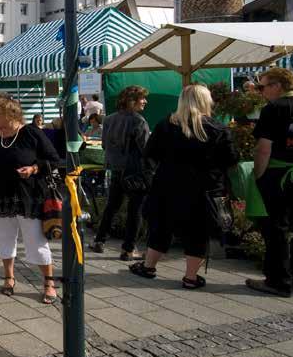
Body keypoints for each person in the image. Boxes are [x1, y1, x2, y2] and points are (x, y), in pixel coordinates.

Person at [130, 84, 238, 288]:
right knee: (198, 231)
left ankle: (149, 266)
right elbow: (231, 159)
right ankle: (190, 277)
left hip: (167, 185)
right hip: (204, 189)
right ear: (207, 101)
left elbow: (150, 154)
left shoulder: (166, 125)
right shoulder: (217, 128)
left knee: (161, 227)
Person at [0, 96, 61, 304]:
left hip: (28, 197)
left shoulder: (30, 133)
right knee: (4, 240)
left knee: (36, 242)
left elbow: (54, 160)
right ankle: (9, 277)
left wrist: (34, 169)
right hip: (1, 198)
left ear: (12, 115)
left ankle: (49, 282)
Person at [246, 68, 293, 297]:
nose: (261, 92)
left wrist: (259, 176)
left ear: (278, 86)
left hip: (280, 175)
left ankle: (279, 281)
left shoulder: (274, 109)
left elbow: (264, 148)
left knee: (276, 229)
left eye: (263, 87)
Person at [89, 86, 151, 261]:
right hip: (135, 171)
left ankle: (99, 241)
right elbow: (146, 149)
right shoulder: (139, 121)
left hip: (115, 169)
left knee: (112, 206)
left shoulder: (108, 120)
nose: (145, 101)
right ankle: (128, 249)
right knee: (135, 210)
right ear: (132, 100)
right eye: (142, 98)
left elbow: (103, 146)